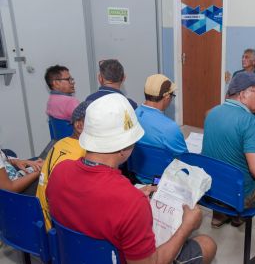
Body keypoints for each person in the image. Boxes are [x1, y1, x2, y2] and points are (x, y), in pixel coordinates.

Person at [46, 93, 216, 264]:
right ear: (124, 147)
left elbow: (89, 206)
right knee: (207, 244)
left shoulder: (59, 171)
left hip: (73, 257)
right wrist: (186, 227)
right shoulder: (131, 203)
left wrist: (133, 197)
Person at [202, 72, 255, 243]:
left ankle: (222, 217)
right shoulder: (250, 122)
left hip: (213, 190)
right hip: (239, 195)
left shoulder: (211, 113)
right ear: (242, 94)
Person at [36, 101, 89, 231]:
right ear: (79, 125)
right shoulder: (83, 154)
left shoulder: (61, 143)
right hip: (58, 229)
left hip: (41, 218)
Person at [135, 74, 187, 162]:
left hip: (137, 172)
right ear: (167, 97)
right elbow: (185, 159)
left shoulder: (134, 113)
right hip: (163, 174)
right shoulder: (170, 128)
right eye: (172, 96)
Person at [230, 48, 255, 118]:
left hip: (253, 109)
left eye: (246, 57)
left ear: (254, 61)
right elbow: (230, 93)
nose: (243, 59)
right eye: (242, 57)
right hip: (238, 108)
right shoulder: (237, 74)